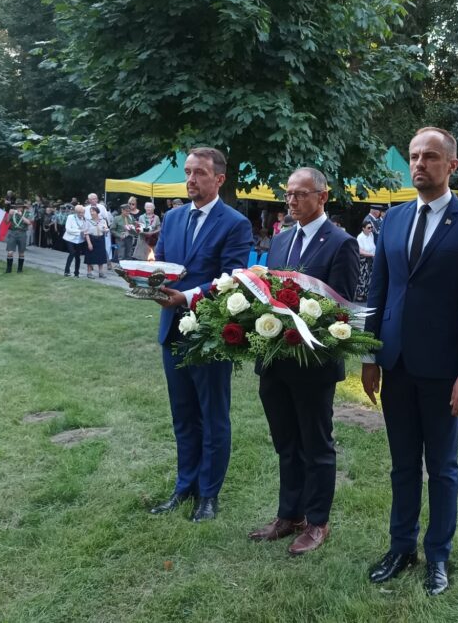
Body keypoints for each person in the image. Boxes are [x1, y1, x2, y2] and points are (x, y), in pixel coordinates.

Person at [361, 127, 458, 596]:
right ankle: (401, 546)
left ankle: (438, 554)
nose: (419, 164)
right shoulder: (393, 220)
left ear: (451, 165)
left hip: (444, 368)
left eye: (430, 157)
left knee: (441, 466)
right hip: (395, 362)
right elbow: (378, 291)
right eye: (415, 156)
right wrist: (370, 354)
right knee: (401, 464)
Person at [249, 168, 359, 555]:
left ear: (323, 196)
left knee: (316, 444)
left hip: (313, 364)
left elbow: (341, 307)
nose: (292, 201)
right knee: (285, 441)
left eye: (300, 194)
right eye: (288, 195)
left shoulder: (341, 243)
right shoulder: (280, 240)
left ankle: (317, 522)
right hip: (274, 359)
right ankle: (288, 514)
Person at [152, 147, 254, 523]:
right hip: (172, 332)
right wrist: (148, 285)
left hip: (211, 333)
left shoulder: (235, 223)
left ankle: (209, 495)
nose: (191, 179)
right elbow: (161, 265)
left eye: (199, 173)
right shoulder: (174, 217)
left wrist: (189, 297)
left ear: (219, 179)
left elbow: (234, 278)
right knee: (183, 416)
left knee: (213, 417)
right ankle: (185, 487)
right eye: (188, 172)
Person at [3, 202, 32, 274]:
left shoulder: (27, 213)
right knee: (10, 251)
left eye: (20, 207)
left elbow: (28, 222)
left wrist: (21, 215)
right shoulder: (13, 212)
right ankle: (8, 269)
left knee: (21, 252)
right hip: (13, 232)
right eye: (17, 207)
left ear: (23, 207)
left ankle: (20, 269)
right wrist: (9, 214)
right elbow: (6, 222)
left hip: (22, 233)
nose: (18, 208)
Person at [62, 205, 89, 277]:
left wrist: (84, 233)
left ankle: (76, 273)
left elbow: (85, 229)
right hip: (70, 239)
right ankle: (66, 271)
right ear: (76, 212)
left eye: (83, 213)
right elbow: (68, 229)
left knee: (78, 256)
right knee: (72, 253)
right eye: (80, 213)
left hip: (79, 240)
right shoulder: (70, 217)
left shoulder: (85, 219)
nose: (82, 214)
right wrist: (79, 231)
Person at [84, 206, 110, 278]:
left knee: (100, 256)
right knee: (90, 256)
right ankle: (89, 273)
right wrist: (89, 243)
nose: (91, 213)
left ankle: (101, 272)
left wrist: (106, 230)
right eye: (90, 211)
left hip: (101, 239)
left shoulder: (103, 221)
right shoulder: (88, 221)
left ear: (97, 212)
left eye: (93, 211)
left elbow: (106, 229)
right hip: (92, 238)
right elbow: (86, 233)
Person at [355, 222, 376, 302]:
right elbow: (360, 251)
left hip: (371, 258)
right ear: (363, 228)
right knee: (362, 277)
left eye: (371, 228)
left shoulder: (371, 235)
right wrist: (371, 254)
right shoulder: (360, 237)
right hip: (363, 259)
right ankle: (359, 295)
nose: (370, 229)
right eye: (368, 228)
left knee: (369, 276)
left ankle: (366, 294)